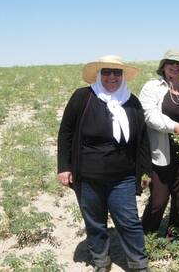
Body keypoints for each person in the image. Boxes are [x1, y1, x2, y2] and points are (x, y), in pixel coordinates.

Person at [57, 55, 151, 272]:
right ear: (99, 75)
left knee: (129, 222)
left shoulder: (131, 101)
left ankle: (139, 264)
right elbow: (66, 133)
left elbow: (143, 140)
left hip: (123, 177)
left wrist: (146, 171)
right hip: (88, 176)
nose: (111, 77)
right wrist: (64, 167)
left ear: (123, 76)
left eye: (116, 73)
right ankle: (101, 261)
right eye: (106, 72)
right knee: (95, 223)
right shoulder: (83, 97)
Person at [139, 48, 179, 238]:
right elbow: (148, 114)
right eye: (171, 63)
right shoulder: (152, 87)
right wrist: (173, 127)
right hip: (160, 152)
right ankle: (146, 235)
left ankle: (175, 235)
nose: (175, 66)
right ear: (164, 66)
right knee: (158, 200)